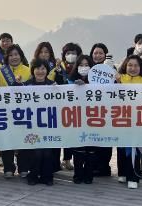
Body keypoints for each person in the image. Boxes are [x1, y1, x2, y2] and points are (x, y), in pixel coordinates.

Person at [115, 55, 142, 189]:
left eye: (136, 65)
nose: (133, 68)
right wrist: (117, 82)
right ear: (125, 66)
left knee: (134, 149)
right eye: (130, 65)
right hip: (120, 118)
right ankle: (122, 173)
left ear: (140, 67)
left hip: (137, 120)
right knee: (121, 147)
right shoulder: (119, 78)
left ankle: (133, 176)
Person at [0, 44, 31, 178]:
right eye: (10, 55)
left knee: (23, 139)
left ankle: (23, 167)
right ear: (7, 57)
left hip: (23, 110)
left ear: (21, 56)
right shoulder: (0, 71)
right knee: (7, 139)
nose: (14, 57)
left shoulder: (28, 70)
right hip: (5, 110)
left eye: (16, 54)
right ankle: (8, 167)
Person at [24, 59, 58, 186]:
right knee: (35, 152)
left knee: (47, 152)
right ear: (33, 70)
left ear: (47, 71)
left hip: (48, 124)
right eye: (37, 68)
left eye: (43, 68)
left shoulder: (53, 85)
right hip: (32, 124)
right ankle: (33, 175)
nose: (40, 71)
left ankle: (47, 176)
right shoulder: (25, 85)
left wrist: (58, 90)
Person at [68, 54, 97, 184]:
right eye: (81, 65)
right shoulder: (71, 80)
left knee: (91, 150)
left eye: (87, 65)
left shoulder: (97, 82)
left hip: (93, 118)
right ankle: (78, 174)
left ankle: (89, 175)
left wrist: (87, 85)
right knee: (78, 149)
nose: (84, 67)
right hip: (77, 119)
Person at [89, 43, 113, 177]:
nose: (97, 55)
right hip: (91, 111)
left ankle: (104, 167)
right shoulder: (87, 68)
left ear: (105, 55)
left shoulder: (111, 68)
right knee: (93, 140)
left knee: (106, 140)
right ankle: (92, 166)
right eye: (95, 53)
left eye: (100, 53)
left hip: (107, 111)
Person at [59, 42, 83, 170]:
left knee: (75, 134)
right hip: (62, 106)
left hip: (79, 106)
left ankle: (72, 159)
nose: (71, 55)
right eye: (68, 53)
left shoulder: (82, 68)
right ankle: (65, 160)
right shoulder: (60, 69)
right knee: (65, 134)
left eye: (73, 53)